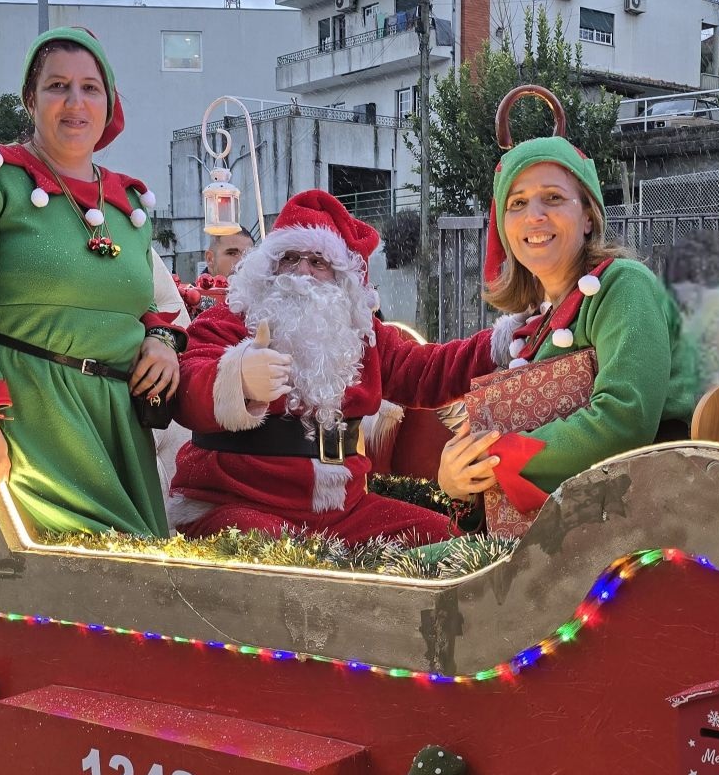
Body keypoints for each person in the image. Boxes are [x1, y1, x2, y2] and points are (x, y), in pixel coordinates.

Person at [0, 26, 188, 536]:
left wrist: (163, 342)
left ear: (108, 102)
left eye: (90, 87)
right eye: (57, 86)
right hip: (31, 416)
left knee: (142, 582)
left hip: (119, 422)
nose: (75, 102)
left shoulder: (129, 205)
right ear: (30, 99)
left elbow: (147, 305)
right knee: (89, 581)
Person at [170, 191, 518, 545]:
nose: (302, 270)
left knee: (448, 543)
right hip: (236, 503)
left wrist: (503, 342)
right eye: (289, 257)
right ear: (268, 266)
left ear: (341, 278)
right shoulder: (231, 318)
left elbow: (429, 371)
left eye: (318, 262)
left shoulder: (361, 336)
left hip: (343, 514)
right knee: (278, 562)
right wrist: (238, 377)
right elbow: (186, 383)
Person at [436, 136, 697, 511]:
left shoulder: (623, 285)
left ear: (588, 216)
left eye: (553, 198)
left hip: (641, 517)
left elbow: (625, 421)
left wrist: (503, 456)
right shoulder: (535, 327)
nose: (534, 215)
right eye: (518, 203)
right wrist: (459, 477)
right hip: (566, 524)